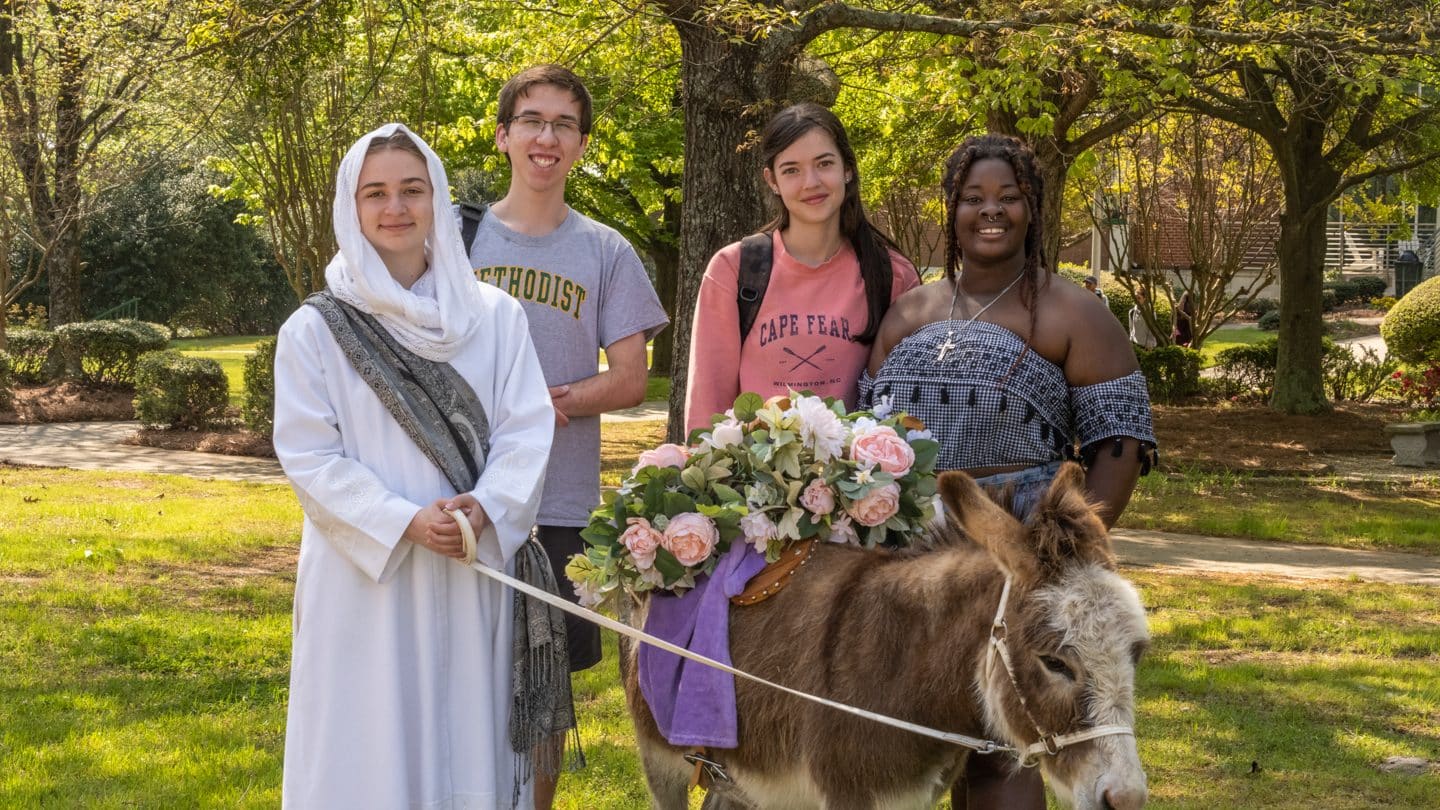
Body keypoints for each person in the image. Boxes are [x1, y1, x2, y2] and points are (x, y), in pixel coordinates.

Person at [862, 133, 1156, 808]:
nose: (990, 212)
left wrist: (1062, 559)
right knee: (907, 737)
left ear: (1033, 209)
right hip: (916, 554)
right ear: (952, 209)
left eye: (1008, 198)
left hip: (1021, 541)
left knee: (1005, 745)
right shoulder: (911, 311)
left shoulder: (1073, 311)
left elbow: (1120, 445)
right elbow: (865, 434)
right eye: (973, 198)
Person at [274, 124, 559, 808]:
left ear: (436, 197)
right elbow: (309, 456)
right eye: (376, 193)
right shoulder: (315, 329)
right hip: (364, 584)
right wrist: (401, 521)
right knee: (366, 741)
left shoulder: (495, 318)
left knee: (472, 735)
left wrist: (486, 507)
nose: (394, 207)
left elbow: (526, 430)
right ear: (351, 206)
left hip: (472, 570)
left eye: (411, 189)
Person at [463, 64, 670, 810]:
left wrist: (546, 402)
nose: (546, 137)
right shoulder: (458, 239)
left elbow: (631, 379)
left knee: (545, 682)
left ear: (581, 144)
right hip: (462, 491)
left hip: (560, 500)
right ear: (503, 135)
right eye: (532, 120)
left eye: (563, 125)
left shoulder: (606, 251)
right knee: (462, 668)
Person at [683, 102, 920, 432]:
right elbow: (707, 410)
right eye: (791, 169)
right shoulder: (734, 269)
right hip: (752, 481)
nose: (811, 182)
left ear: (847, 169)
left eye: (824, 163)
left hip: (861, 479)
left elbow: (909, 405)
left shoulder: (892, 275)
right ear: (772, 180)